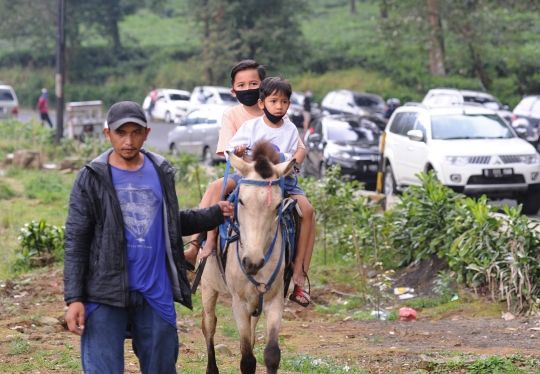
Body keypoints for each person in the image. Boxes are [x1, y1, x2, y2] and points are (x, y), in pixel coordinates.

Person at [63, 101, 233, 374]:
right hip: (104, 291)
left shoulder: (160, 170)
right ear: (108, 134)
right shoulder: (91, 177)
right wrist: (74, 298)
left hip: (155, 291)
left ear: (147, 133)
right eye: (121, 133)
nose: (128, 141)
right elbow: (76, 240)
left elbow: (168, 221)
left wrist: (213, 214)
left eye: (135, 132)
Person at [183, 60, 314, 307]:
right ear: (234, 90)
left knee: (307, 210)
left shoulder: (287, 123)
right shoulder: (239, 118)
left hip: (281, 179)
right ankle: (198, 244)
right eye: (242, 85)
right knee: (216, 188)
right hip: (247, 173)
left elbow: (299, 150)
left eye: (254, 83)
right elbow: (228, 151)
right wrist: (240, 153)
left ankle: (300, 274)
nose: (248, 88)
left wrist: (292, 162)